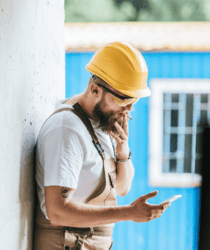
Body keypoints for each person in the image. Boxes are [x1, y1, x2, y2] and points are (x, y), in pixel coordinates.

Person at [34, 42, 170, 250]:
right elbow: (57, 212)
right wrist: (129, 213)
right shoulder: (68, 130)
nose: (129, 108)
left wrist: (122, 151)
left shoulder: (100, 123)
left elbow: (121, 189)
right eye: (123, 98)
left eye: (134, 99)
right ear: (95, 89)